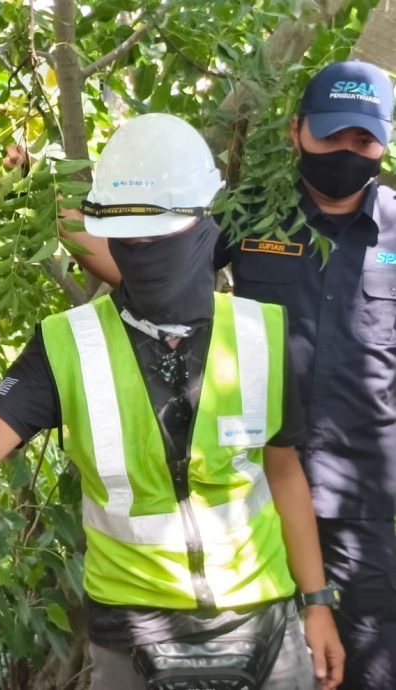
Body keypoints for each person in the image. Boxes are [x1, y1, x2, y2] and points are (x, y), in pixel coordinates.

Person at [0, 113, 344, 690]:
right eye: (129, 236)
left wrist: (316, 602)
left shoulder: (262, 333)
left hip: (265, 622)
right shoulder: (70, 343)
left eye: (158, 234)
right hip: (132, 635)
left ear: (204, 224)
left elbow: (284, 470)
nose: (143, 250)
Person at [214, 60, 396, 690]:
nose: (348, 151)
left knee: (361, 670)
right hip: (247, 490)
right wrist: (56, 213)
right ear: (297, 132)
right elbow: (155, 273)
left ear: (384, 143)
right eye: (333, 135)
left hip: (361, 503)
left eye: (363, 140)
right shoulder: (247, 214)